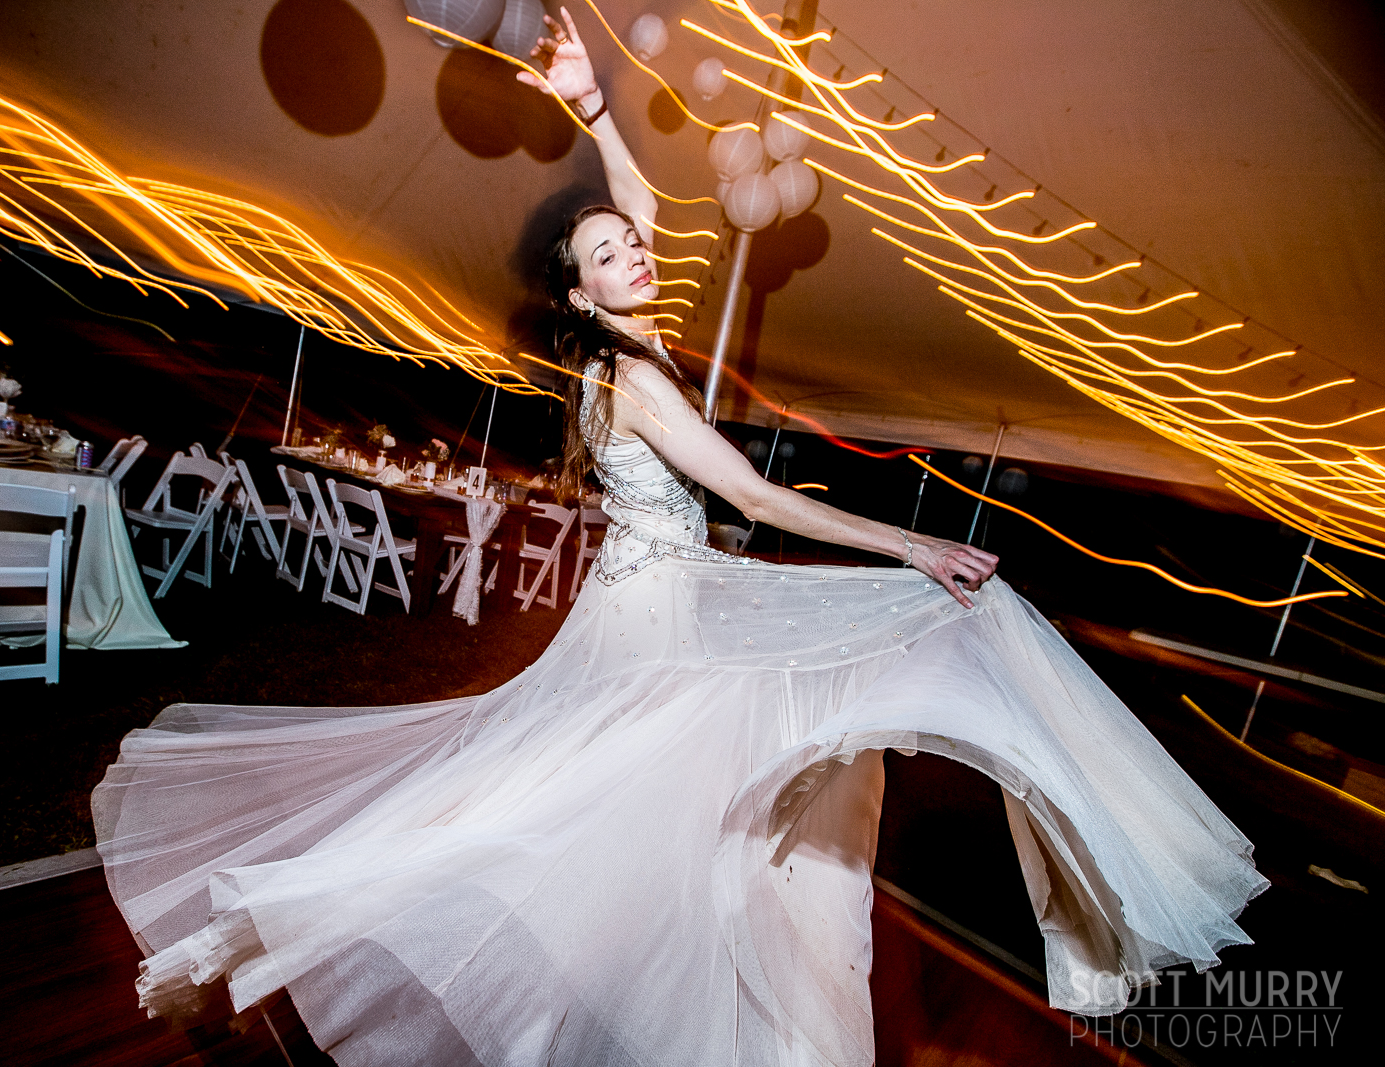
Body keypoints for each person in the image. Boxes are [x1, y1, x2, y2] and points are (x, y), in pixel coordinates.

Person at [94, 11, 1266, 1063]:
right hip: (661, 616)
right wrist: (911, 547)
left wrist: (594, 109)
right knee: (615, 823)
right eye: (608, 255)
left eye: (632, 244)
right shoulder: (637, 379)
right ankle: (517, 980)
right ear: (579, 293)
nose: (637, 252)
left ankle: (607, 990)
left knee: (617, 811)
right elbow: (754, 497)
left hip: (651, 593)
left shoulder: (619, 348)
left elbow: (641, 211)